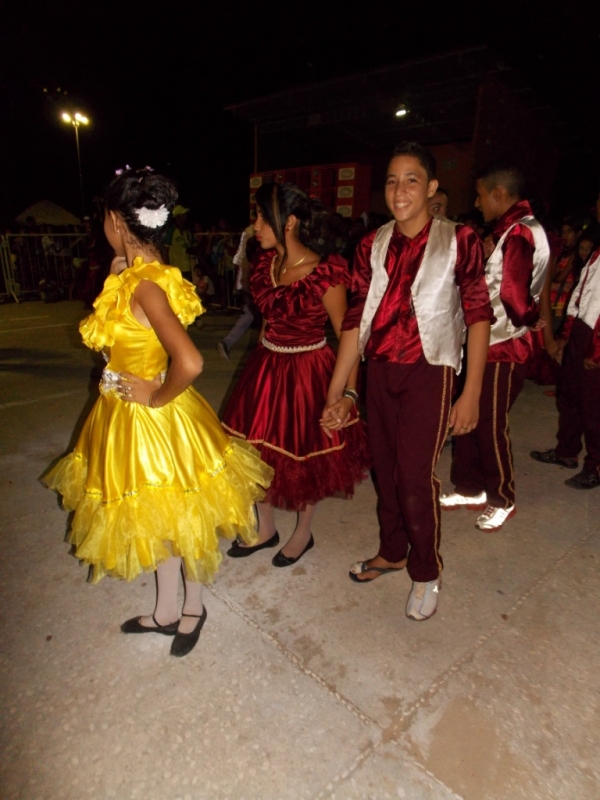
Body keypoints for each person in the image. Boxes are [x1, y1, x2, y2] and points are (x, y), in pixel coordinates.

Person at [43, 168, 272, 657]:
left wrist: (153, 395)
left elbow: (189, 361)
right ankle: (167, 608)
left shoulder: (146, 286)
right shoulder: (131, 275)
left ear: (117, 222)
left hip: (154, 419)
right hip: (120, 418)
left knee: (180, 517)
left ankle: (195, 605)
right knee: (154, 520)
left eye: (103, 219)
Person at [321, 141, 492, 621]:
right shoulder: (370, 244)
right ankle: (392, 550)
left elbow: (479, 315)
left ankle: (425, 569)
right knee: (385, 470)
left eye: (411, 179)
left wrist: (471, 391)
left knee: (415, 478)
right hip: (380, 372)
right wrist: (340, 390)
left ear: (432, 187)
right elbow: (355, 320)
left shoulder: (459, 240)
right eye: (392, 180)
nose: (400, 190)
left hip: (430, 371)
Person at [221, 181, 370, 566]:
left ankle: (303, 533)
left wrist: (348, 395)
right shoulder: (265, 265)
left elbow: (348, 338)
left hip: (308, 372)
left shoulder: (325, 273)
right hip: (266, 368)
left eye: (260, 216)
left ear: (287, 222)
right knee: (256, 454)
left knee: (305, 459)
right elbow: (268, 326)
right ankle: (265, 527)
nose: (255, 224)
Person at [441, 161, 550, 530]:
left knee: (489, 422)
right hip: (486, 341)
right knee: (467, 416)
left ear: (498, 194)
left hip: (503, 344)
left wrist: (530, 318)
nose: (477, 201)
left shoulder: (520, 232)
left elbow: (514, 295)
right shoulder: (511, 231)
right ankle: (470, 487)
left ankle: (502, 497)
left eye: (480, 194)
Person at [530, 242, 600, 489]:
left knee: (593, 407)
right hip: (582, 329)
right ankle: (566, 451)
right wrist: (566, 334)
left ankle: (595, 466)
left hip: (597, 336)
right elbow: (582, 294)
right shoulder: (596, 253)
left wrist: (596, 350)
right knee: (569, 396)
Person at [164, 205, 193, 279]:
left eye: (185, 214)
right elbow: (166, 250)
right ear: (177, 217)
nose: (185, 216)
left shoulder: (188, 231)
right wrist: (167, 266)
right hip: (176, 268)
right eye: (183, 215)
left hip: (189, 268)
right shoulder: (171, 231)